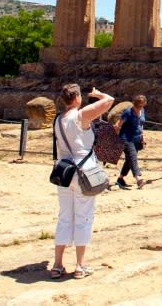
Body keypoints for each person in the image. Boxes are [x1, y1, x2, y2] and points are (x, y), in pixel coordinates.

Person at [50, 84, 115, 280]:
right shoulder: (80, 116)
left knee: (64, 217)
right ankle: (80, 265)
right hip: (83, 173)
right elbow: (110, 101)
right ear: (77, 97)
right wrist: (98, 94)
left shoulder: (57, 119)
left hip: (64, 172)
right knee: (84, 218)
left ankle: (57, 264)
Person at [114, 94, 147, 190]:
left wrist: (142, 137)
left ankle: (120, 179)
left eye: (142, 105)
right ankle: (138, 179)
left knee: (129, 160)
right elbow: (118, 125)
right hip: (126, 139)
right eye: (138, 105)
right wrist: (116, 139)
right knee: (133, 157)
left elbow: (140, 125)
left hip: (137, 139)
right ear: (134, 104)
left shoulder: (142, 111)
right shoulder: (128, 112)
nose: (140, 107)